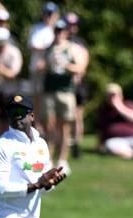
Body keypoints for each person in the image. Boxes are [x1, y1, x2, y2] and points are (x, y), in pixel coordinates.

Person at [38, 19, 87, 175]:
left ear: (66, 32)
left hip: (66, 91)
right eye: (56, 31)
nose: (59, 34)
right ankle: (49, 159)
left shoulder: (72, 48)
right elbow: (40, 68)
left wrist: (65, 65)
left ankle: (62, 160)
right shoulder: (48, 49)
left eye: (61, 31)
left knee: (64, 127)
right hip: (49, 91)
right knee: (49, 126)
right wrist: (46, 65)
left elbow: (80, 68)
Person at [28, 2, 58, 126]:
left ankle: (52, 131)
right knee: (37, 100)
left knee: (52, 102)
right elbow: (33, 46)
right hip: (37, 70)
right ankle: (38, 126)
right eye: (46, 13)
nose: (48, 16)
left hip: (53, 71)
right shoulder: (36, 28)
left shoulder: (58, 28)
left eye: (51, 14)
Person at [65, 11, 89, 159]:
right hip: (63, 85)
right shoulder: (60, 40)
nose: (71, 27)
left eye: (74, 24)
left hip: (77, 84)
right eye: (69, 24)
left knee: (77, 116)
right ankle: (65, 144)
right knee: (65, 117)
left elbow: (84, 62)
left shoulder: (80, 42)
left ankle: (77, 145)